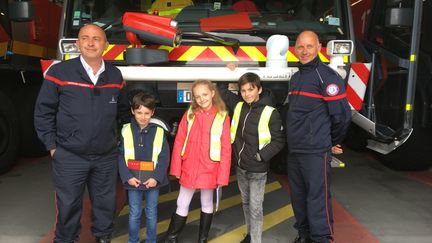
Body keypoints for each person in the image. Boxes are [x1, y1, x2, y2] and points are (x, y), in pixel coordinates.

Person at [34, 24, 129, 243]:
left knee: (105, 205)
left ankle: (103, 239)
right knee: (68, 206)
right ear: (77, 43)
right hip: (69, 156)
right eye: (85, 38)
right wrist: (52, 146)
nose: (90, 42)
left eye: (97, 39)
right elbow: (43, 112)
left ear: (105, 45)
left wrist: (117, 142)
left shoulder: (115, 75)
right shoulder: (59, 73)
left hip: (105, 157)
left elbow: (123, 114)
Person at [286, 30, 351, 243]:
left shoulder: (328, 77)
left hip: (315, 151)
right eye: (300, 47)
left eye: (309, 46)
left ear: (319, 48)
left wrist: (331, 142)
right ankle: (304, 235)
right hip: (295, 150)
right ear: (295, 50)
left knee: (317, 199)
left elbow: (341, 116)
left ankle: (321, 238)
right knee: (298, 198)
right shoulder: (296, 78)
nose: (304, 51)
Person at [218, 72, 285, 243]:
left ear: (259, 89)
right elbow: (221, 90)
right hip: (240, 167)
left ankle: (255, 240)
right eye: (243, 90)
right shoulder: (239, 106)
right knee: (246, 204)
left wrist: (261, 156)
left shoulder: (271, 112)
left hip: (257, 169)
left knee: (255, 208)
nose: (247, 94)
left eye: (251, 89)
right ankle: (250, 235)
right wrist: (230, 71)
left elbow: (279, 141)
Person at [162, 80, 232, 243]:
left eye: (205, 94)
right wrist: (176, 168)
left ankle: (202, 239)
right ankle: (172, 238)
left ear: (213, 93)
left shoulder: (222, 117)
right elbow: (179, 141)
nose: (201, 99)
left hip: (210, 168)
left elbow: (226, 148)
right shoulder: (190, 114)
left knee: (206, 202)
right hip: (190, 166)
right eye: (197, 96)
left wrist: (222, 177)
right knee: (182, 201)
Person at [118, 92, 170, 243]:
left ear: (152, 112)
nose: (142, 117)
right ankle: (132, 240)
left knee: (151, 212)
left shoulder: (159, 132)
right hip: (133, 180)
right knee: (134, 213)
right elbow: (120, 156)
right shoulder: (125, 130)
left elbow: (164, 157)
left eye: (147, 113)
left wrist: (156, 178)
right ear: (132, 111)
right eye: (139, 112)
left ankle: (151, 240)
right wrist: (128, 177)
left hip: (152, 181)